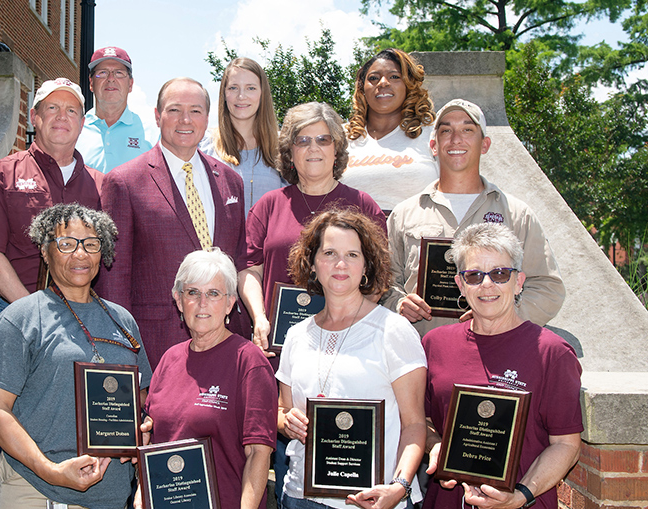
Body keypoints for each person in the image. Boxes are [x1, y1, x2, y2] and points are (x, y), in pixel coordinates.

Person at [0, 203, 152, 509]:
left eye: (90, 243)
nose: (80, 254)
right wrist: (50, 471)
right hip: (36, 494)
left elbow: (140, 405)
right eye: (67, 242)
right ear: (44, 249)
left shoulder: (123, 322)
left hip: (106, 504)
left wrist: (141, 432)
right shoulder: (22, 317)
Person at [417, 222, 582, 509]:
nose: (487, 285)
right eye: (474, 275)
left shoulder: (551, 353)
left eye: (500, 274)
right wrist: (438, 446)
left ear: (519, 281)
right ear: (460, 284)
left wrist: (522, 494)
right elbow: (426, 422)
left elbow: (566, 445)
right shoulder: (436, 345)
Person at [277, 207, 427, 509]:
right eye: (328, 253)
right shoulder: (296, 336)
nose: (339, 263)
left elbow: (414, 425)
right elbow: (282, 412)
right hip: (303, 506)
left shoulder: (393, 331)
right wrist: (286, 421)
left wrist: (400, 487)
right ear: (312, 264)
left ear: (367, 265)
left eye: (351, 254)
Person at [135, 248, 277, 509]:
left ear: (230, 304)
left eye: (214, 294)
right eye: (193, 293)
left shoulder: (250, 362)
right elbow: (155, 439)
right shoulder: (169, 360)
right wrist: (144, 491)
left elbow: (259, 451)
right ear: (177, 299)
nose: (202, 304)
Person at [97, 77, 248, 368]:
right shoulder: (125, 182)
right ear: (157, 115)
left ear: (207, 118)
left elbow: (239, 260)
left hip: (226, 342)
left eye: (195, 110)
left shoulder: (231, 181)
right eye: (175, 110)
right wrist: (125, 353)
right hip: (156, 345)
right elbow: (113, 278)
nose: (185, 120)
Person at [386, 99, 565, 337]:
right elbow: (384, 284)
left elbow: (548, 287)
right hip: (420, 355)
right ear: (433, 145)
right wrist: (398, 305)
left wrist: (507, 315)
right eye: (446, 130)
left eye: (468, 130)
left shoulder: (517, 214)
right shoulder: (404, 214)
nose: (456, 139)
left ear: (485, 144)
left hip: (494, 358)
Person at [239, 102, 386, 359]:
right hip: (278, 348)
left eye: (323, 139)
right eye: (303, 140)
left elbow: (377, 278)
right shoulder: (268, 205)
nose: (313, 147)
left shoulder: (363, 206)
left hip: (346, 345)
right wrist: (259, 318)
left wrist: (346, 322)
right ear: (290, 152)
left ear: (337, 148)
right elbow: (250, 269)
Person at [0, 77, 102, 315]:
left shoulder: (101, 185)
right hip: (19, 311)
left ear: (81, 124)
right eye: (52, 108)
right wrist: (33, 311)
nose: (62, 116)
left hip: (86, 314)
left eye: (71, 110)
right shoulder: (3, 174)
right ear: (34, 117)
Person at [340, 48, 438, 212]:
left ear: (408, 85)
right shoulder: (340, 137)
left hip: (415, 234)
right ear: (362, 88)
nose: (383, 83)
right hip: (350, 234)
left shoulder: (432, 134)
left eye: (394, 77)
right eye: (373, 78)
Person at [199, 57, 287, 216]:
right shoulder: (203, 146)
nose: (241, 96)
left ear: (262, 93)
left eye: (251, 88)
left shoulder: (282, 148)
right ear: (224, 94)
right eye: (233, 88)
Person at [76, 46, 152, 173]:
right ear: (91, 83)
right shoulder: (74, 129)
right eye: (102, 73)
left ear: (130, 84)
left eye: (119, 73)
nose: (111, 78)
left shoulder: (151, 132)